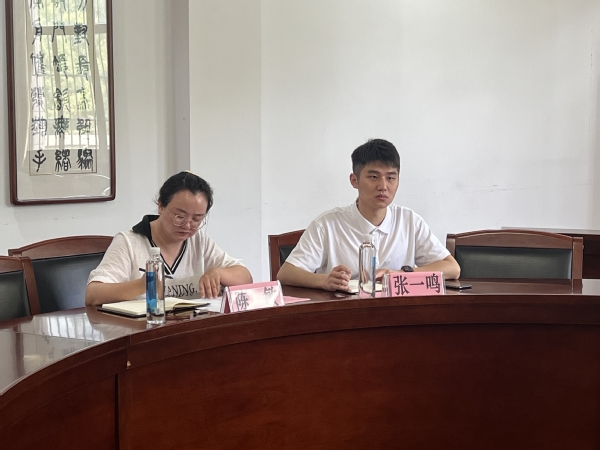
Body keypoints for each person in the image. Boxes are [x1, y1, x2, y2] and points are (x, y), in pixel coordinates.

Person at [277, 139, 460, 291]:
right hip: (344, 314)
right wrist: (325, 281)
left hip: (398, 314)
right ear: (354, 180)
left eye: (391, 178)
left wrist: (401, 274)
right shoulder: (327, 224)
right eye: (373, 177)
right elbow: (286, 273)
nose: (383, 186)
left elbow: (452, 268)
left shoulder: (409, 221)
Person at [85, 171, 252, 305]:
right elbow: (93, 294)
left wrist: (218, 273)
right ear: (161, 206)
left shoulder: (199, 241)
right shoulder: (129, 242)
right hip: (144, 331)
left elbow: (245, 278)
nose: (187, 225)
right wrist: (142, 285)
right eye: (179, 216)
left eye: (197, 219)